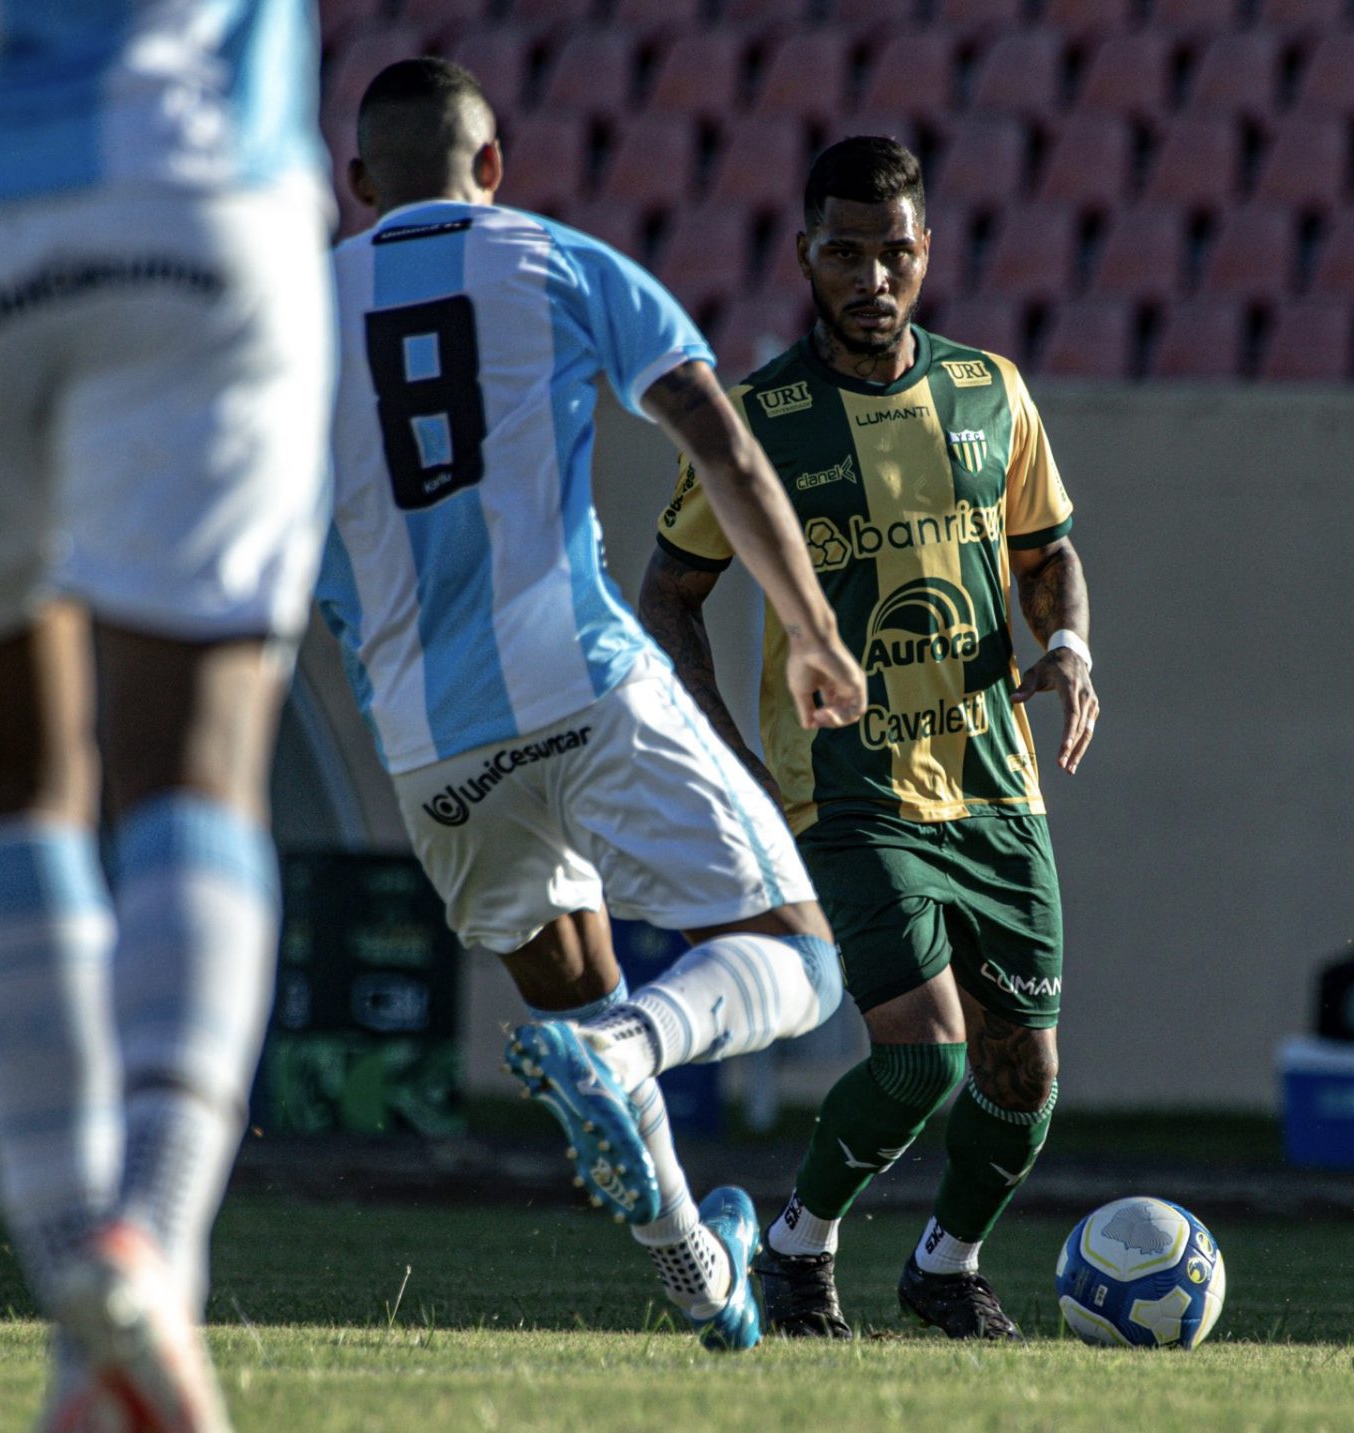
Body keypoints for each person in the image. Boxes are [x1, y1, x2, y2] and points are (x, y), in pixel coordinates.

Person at [318, 59, 866, 1352]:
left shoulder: (289, 316)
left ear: (358, 189)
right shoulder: (560, 260)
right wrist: (810, 628)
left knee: (575, 1005)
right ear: (492, 165)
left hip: (427, 740)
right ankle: (632, 1051)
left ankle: (701, 1281)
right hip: (579, 674)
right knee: (799, 958)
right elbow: (721, 442)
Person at [0, 4, 335, 1428]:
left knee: (8, 773)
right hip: (196, 195)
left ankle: (80, 1299)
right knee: (196, 760)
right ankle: (150, 1242)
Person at [639, 136, 1098, 1340]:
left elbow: (1047, 554)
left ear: (926, 253)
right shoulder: (760, 421)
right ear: (805, 256)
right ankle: (799, 1247)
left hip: (995, 786)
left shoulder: (992, 392)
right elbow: (669, 592)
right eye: (846, 253)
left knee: (1025, 1078)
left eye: (895, 252)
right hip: (845, 786)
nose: (873, 278)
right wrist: (730, 751)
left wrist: (1069, 648)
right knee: (922, 1058)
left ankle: (944, 1266)